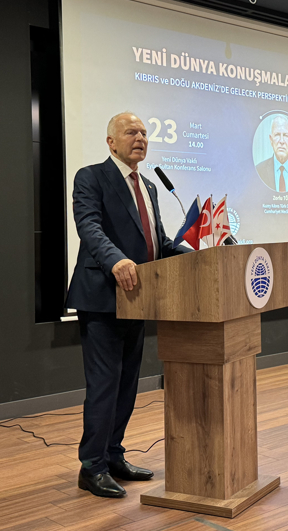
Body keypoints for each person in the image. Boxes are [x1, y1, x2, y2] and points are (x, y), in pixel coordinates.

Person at [66, 112, 189, 498]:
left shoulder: (149, 186)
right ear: (111, 142)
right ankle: (92, 466)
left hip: (138, 298)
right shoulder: (91, 177)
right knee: (105, 384)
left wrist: (197, 256)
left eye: (144, 133)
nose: (140, 138)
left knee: (126, 385)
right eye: (131, 132)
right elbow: (89, 227)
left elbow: (158, 242)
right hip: (102, 296)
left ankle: (113, 455)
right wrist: (116, 259)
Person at [255, 116, 288, 192]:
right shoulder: (259, 172)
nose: (282, 141)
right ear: (271, 140)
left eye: (285, 135)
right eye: (277, 135)